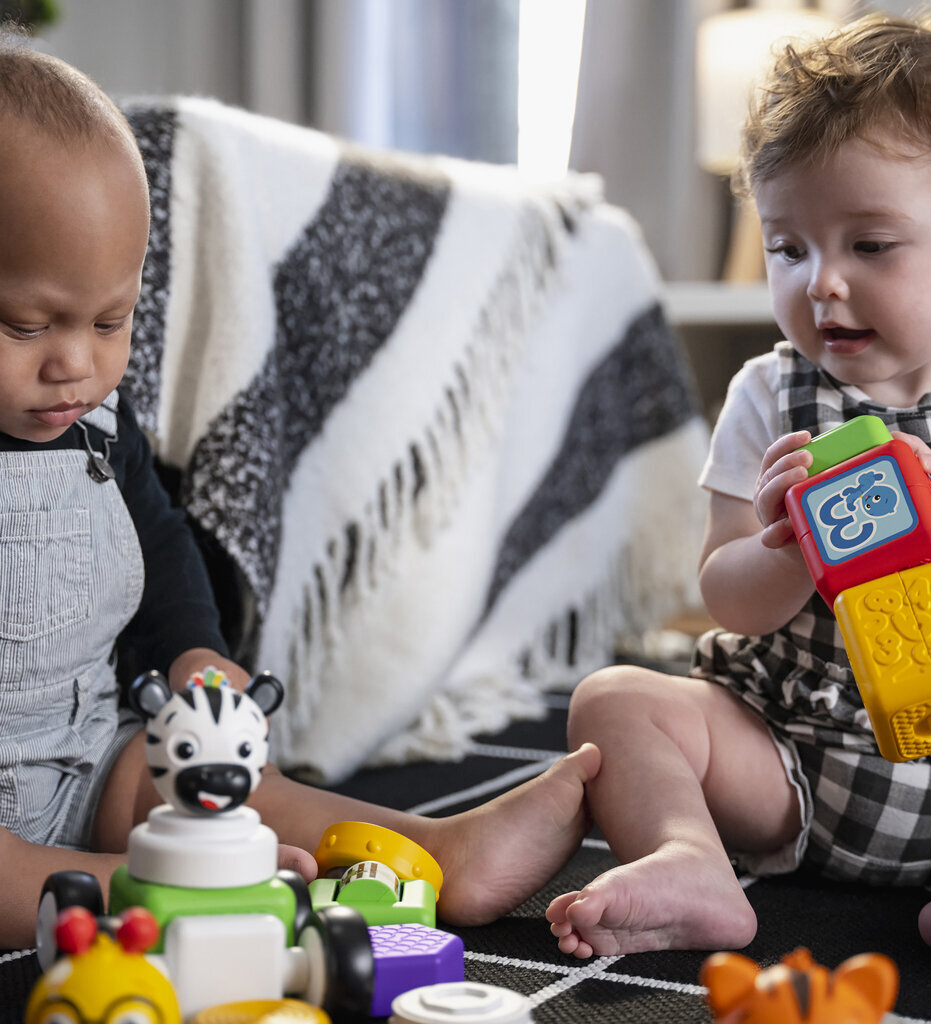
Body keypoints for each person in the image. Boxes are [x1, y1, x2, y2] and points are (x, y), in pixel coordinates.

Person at [0, 38, 601, 952]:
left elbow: (161, 548)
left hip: (95, 752)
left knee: (204, 781)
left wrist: (199, 656)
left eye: (109, 321)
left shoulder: (92, 423)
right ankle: (162, 894)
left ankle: (424, 852)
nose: (75, 363)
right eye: (27, 325)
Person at [546, 13, 931, 979]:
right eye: (788, 247)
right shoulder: (772, 393)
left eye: (872, 245)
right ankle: (690, 856)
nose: (823, 286)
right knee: (616, 701)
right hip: (792, 755)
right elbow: (723, 592)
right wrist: (783, 548)